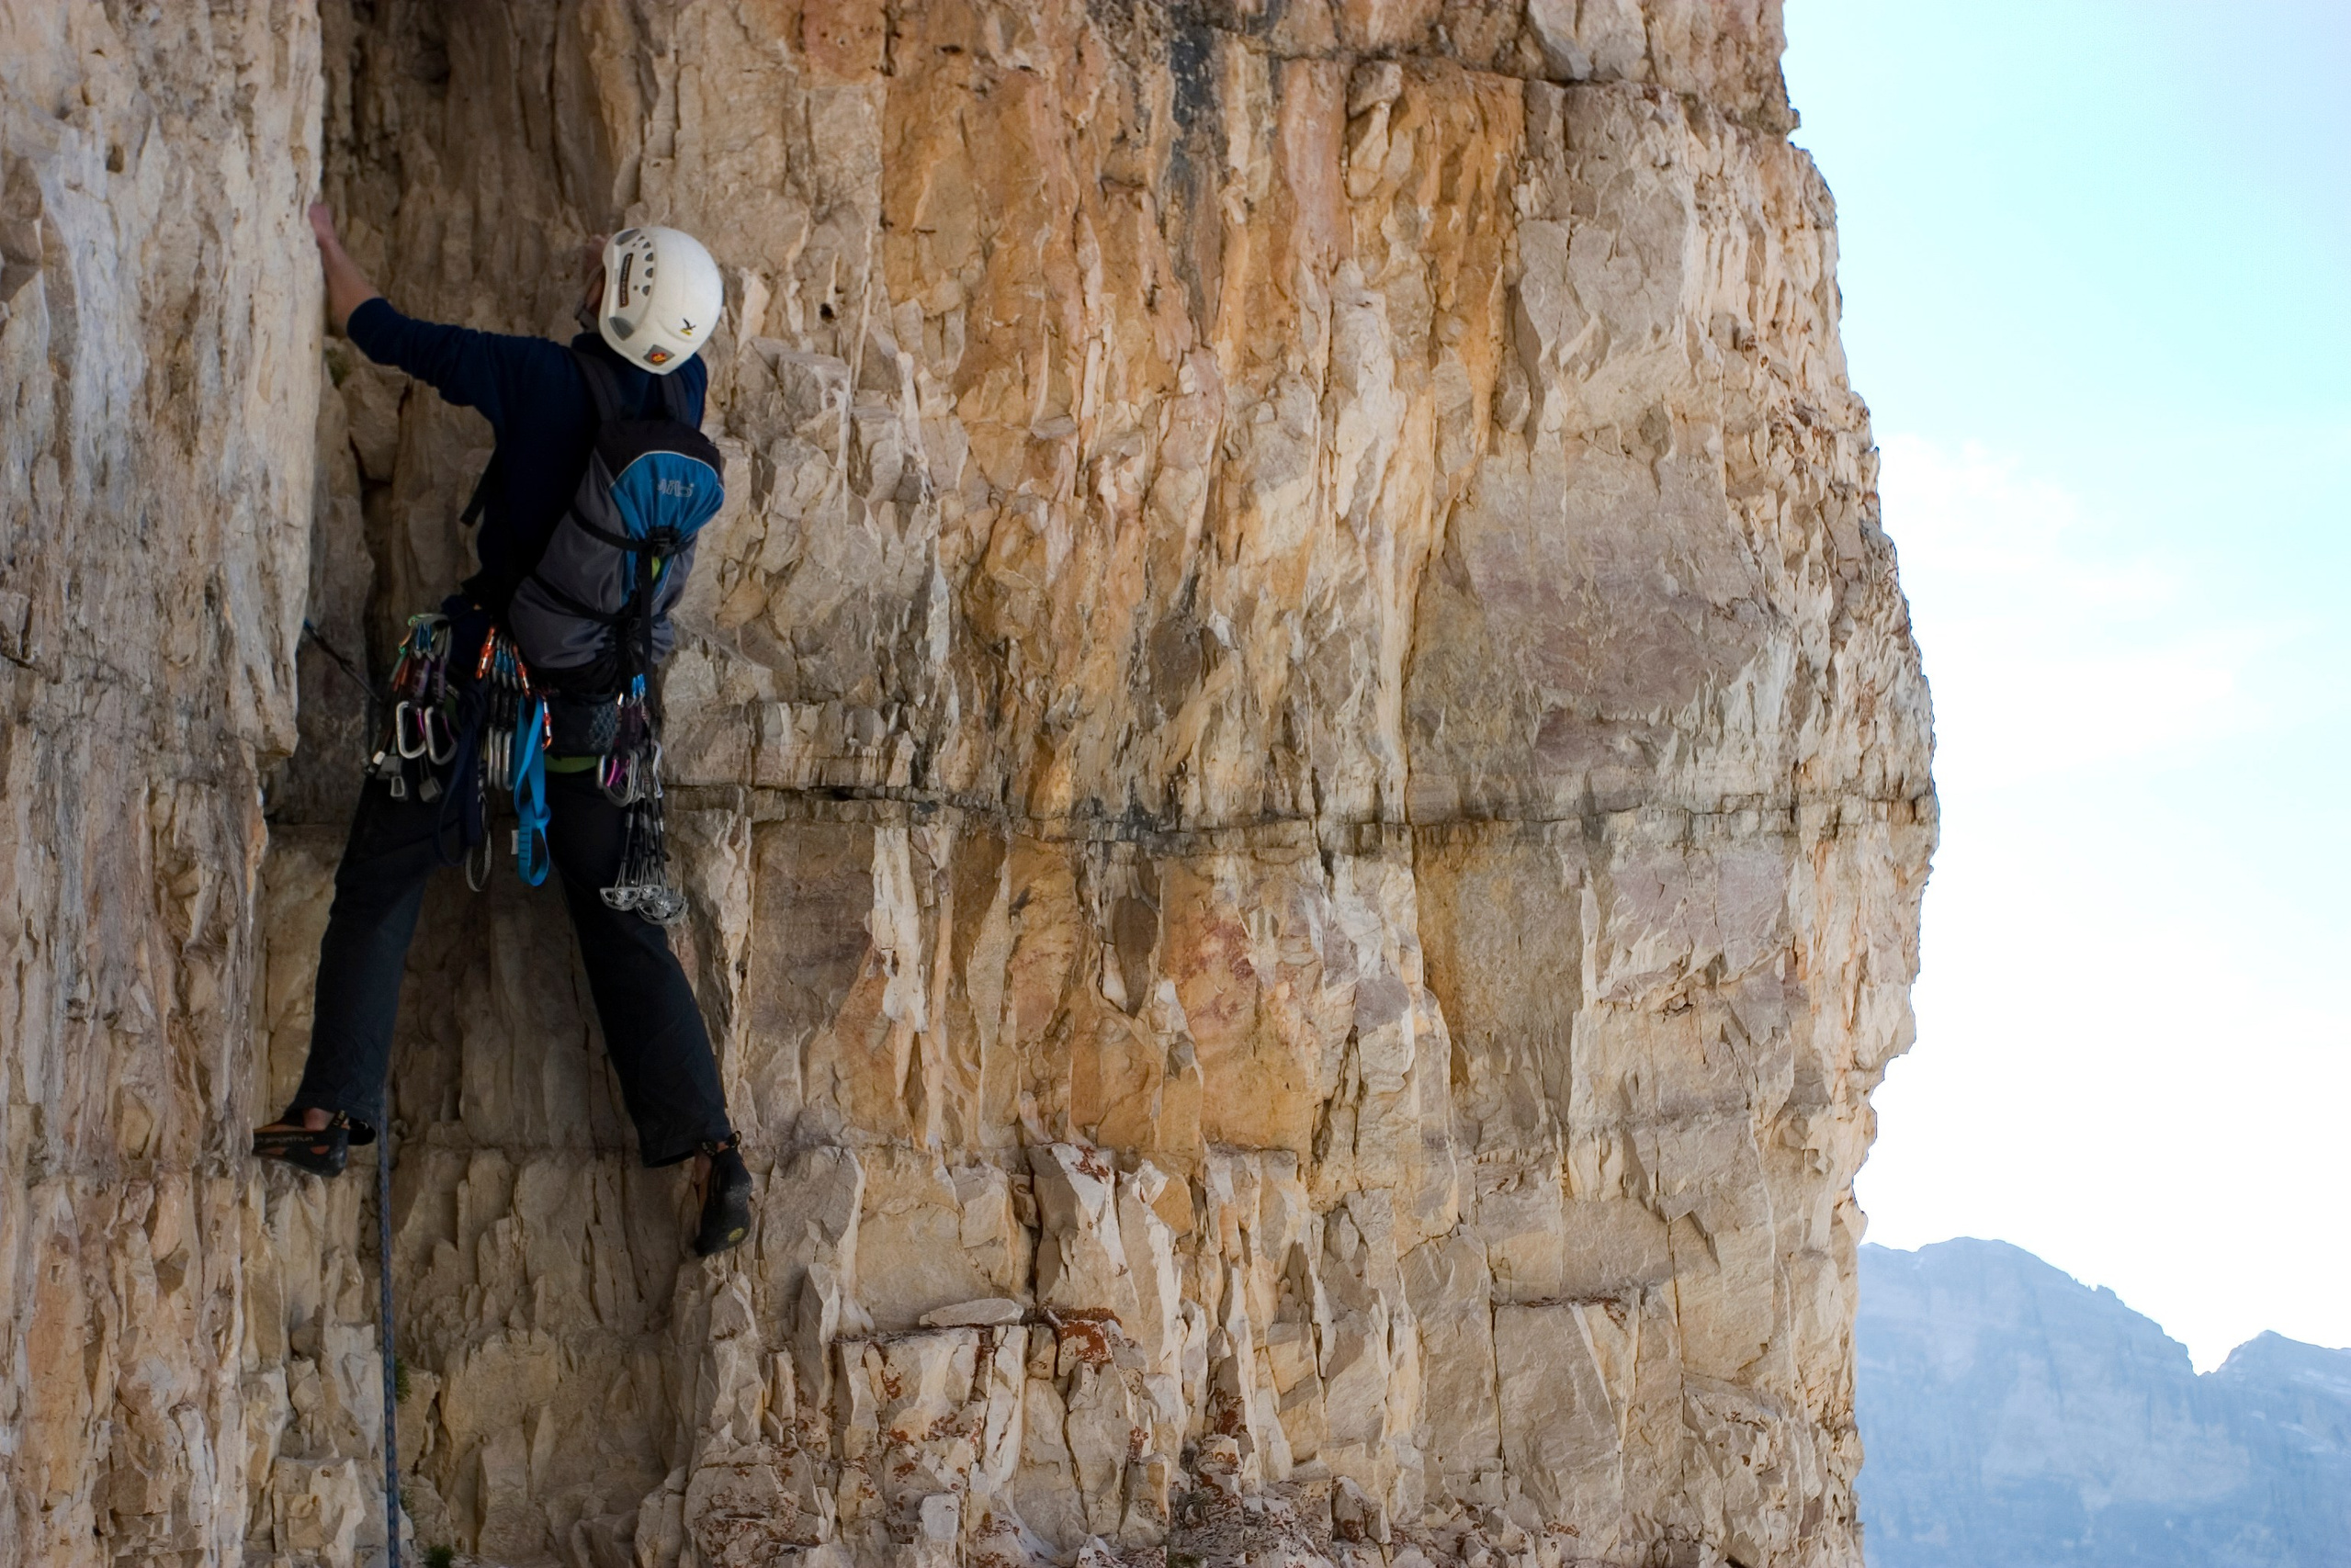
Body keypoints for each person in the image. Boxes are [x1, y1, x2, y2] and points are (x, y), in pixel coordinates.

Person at [252, 204, 753, 1258]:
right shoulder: (687, 388)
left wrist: (332, 248)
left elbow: (383, 331)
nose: (591, 271)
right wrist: (632, 274)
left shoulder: (534, 379)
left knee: (384, 867)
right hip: (604, 715)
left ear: (615, 301)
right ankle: (711, 1147)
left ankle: (327, 1113)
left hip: (487, 686)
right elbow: (647, 335)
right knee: (625, 924)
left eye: (609, 272)